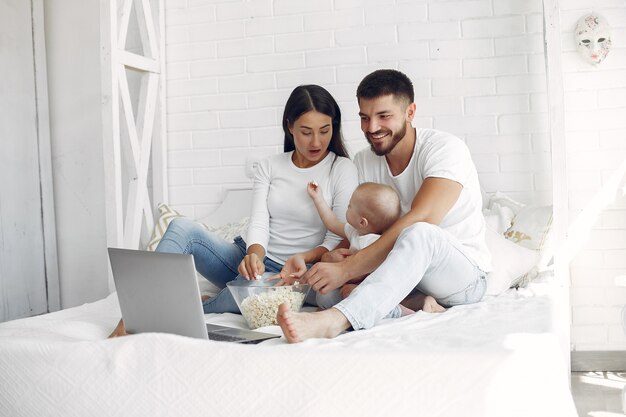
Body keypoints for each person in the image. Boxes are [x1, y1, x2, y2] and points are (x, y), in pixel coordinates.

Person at [109, 84, 358, 337]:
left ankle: (191, 307)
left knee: (250, 295)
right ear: (289, 126)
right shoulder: (270, 166)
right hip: (258, 262)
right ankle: (134, 316)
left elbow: (337, 234)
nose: (316, 141)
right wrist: (254, 256)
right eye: (306, 132)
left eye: (324, 131)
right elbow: (259, 222)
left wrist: (304, 258)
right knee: (181, 228)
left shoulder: (342, 168)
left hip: (303, 273)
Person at [277, 69, 492, 343]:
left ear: (410, 112)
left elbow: (424, 217)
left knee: (419, 231)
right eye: (364, 118)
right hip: (403, 278)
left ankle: (336, 321)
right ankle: (414, 305)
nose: (372, 128)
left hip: (461, 278)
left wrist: (349, 268)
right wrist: (331, 259)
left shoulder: (445, 149)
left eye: (384, 116)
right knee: (327, 291)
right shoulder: (364, 161)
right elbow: (358, 228)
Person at [308, 181, 437, 316]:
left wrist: (350, 281)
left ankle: (399, 311)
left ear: (362, 222)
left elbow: (374, 275)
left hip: (373, 287)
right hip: (356, 283)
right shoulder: (355, 232)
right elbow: (332, 223)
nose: (348, 206)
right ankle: (417, 303)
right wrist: (318, 198)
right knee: (325, 294)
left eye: (350, 206)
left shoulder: (373, 243)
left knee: (340, 294)